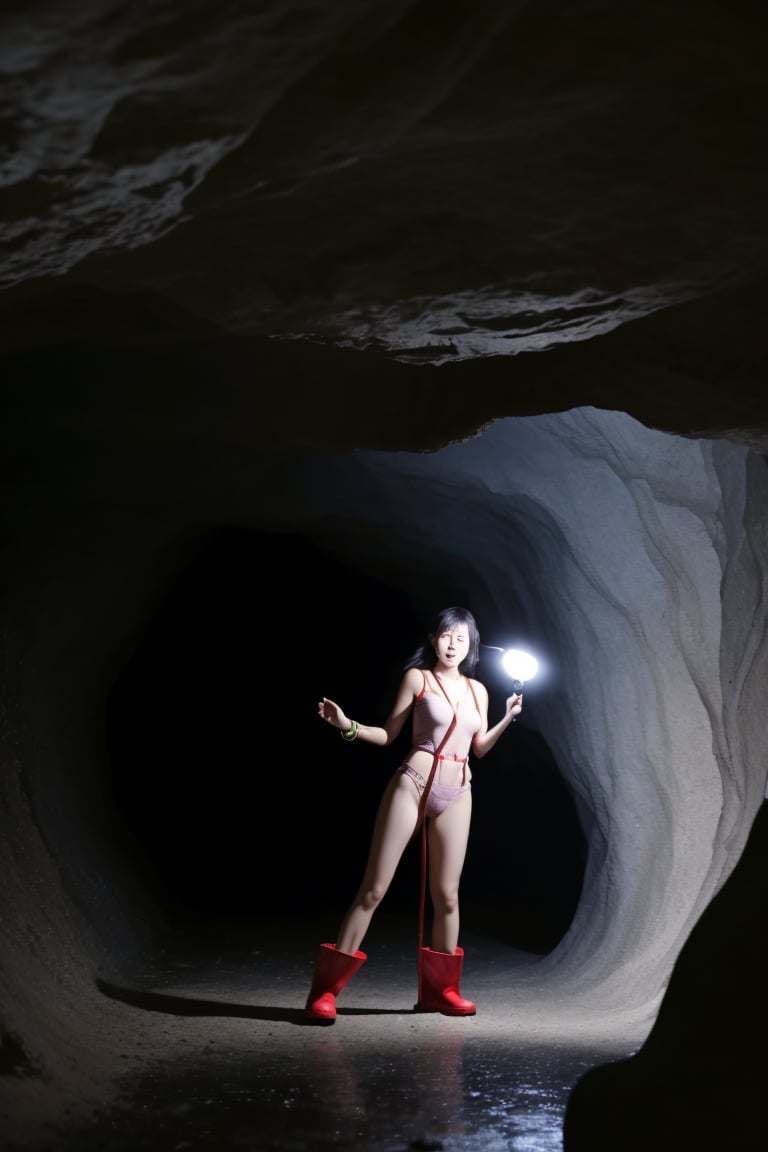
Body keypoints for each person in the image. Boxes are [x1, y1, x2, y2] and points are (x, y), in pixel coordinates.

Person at [304, 606, 523, 1023]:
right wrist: (347, 724)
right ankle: (324, 993)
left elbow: (479, 748)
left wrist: (507, 718)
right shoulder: (417, 679)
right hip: (413, 783)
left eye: (461, 638)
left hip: (459, 790)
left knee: (447, 895)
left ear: (471, 644)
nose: (453, 644)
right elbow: (389, 734)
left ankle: (443, 992)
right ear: (433, 638)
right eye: (446, 635)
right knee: (374, 889)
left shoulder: (479, 691)